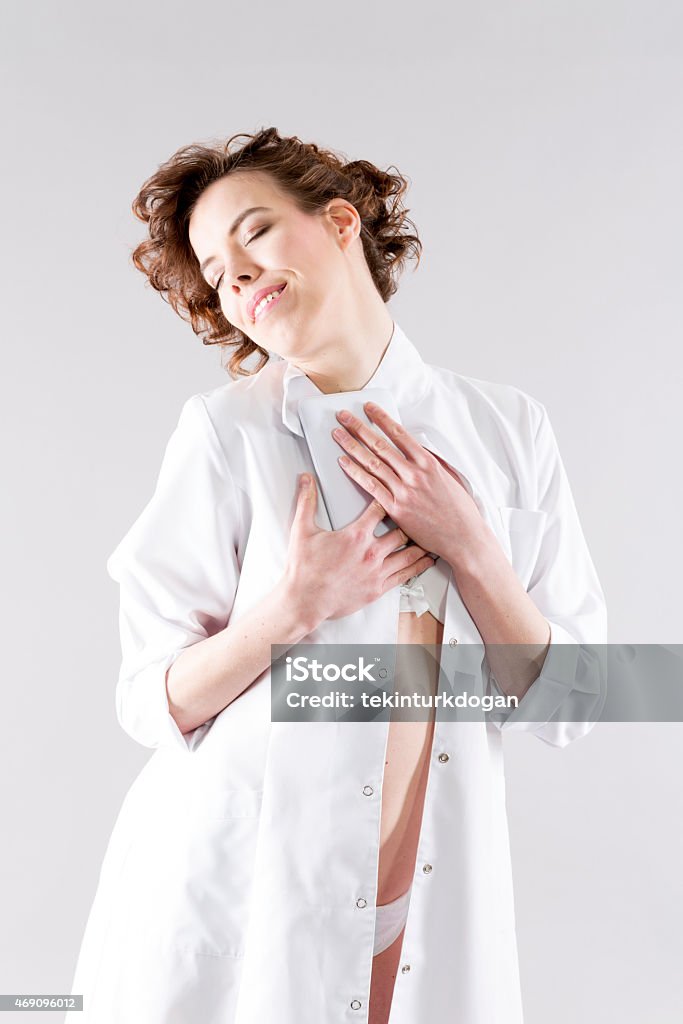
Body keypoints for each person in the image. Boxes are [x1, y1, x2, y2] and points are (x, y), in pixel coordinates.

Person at [67, 126, 607, 1024]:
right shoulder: (226, 435)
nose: (233, 273)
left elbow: (580, 705)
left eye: (254, 232)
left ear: (340, 220)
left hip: (435, 885)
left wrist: (470, 546)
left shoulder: (509, 429)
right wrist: (290, 610)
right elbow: (144, 701)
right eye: (213, 268)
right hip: (243, 877)